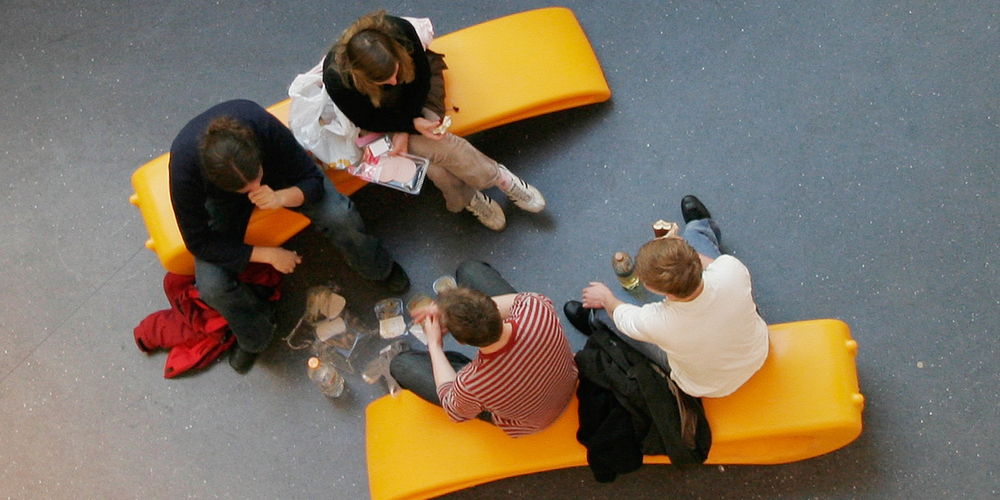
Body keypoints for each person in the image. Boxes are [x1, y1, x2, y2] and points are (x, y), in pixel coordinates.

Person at [169, 99, 409, 373]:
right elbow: (197, 240)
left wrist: (280, 196)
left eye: (256, 178)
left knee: (339, 216)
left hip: (279, 178)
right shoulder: (185, 167)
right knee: (212, 286)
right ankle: (256, 335)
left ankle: (378, 267)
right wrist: (267, 254)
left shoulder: (259, 125)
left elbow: (312, 181)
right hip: (224, 202)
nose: (254, 190)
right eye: (245, 189)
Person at [322, 11, 546, 231]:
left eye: (395, 71)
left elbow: (420, 82)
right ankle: (500, 178)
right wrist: (409, 126)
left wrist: (407, 127)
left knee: (435, 156)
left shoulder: (400, 31)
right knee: (438, 157)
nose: (392, 80)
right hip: (385, 120)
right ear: (360, 76)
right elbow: (367, 118)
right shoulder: (338, 80)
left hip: (417, 102)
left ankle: (468, 198)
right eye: (383, 80)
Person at [564, 195, 769, 398]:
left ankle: (594, 320)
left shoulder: (656, 322)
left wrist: (606, 298)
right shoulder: (733, 269)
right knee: (695, 234)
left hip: (706, 387)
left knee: (606, 307)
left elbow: (621, 315)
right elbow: (712, 264)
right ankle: (701, 225)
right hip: (758, 352)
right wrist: (680, 249)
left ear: (656, 290)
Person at [389, 261, 579, 437]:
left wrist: (434, 344)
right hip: (569, 380)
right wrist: (453, 309)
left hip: (532, 423)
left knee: (400, 365)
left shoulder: (472, 383)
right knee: (469, 270)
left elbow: (453, 408)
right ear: (493, 308)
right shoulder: (536, 308)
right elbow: (517, 300)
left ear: (461, 342)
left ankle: (448, 357)